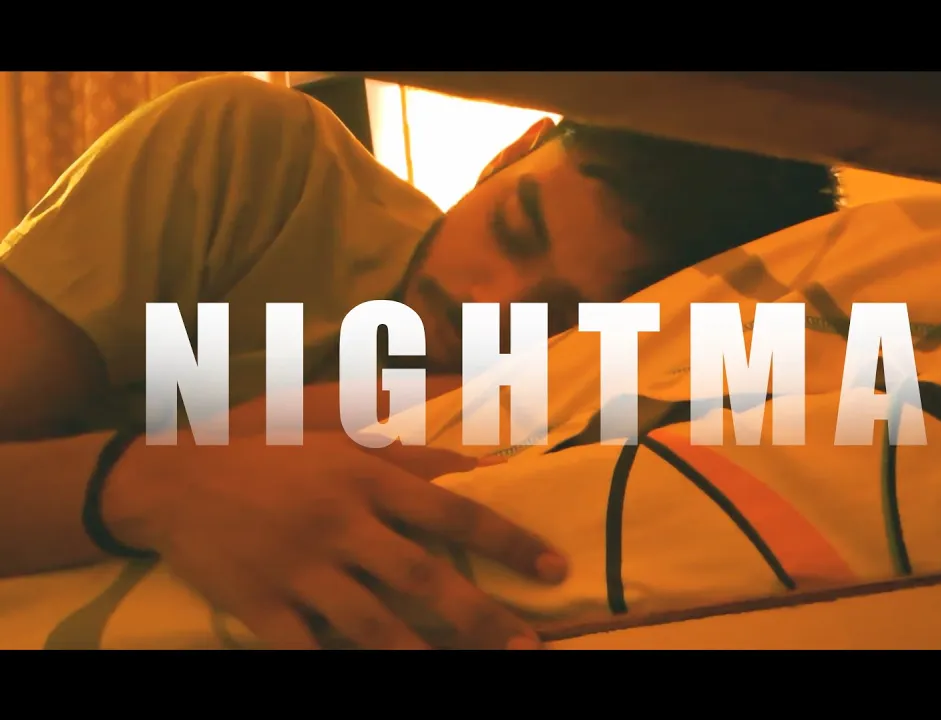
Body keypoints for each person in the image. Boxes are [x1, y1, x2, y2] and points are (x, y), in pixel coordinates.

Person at [0, 75, 839, 649]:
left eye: (557, 320)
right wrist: (147, 485)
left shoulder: (583, 409)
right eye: (513, 229)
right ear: (514, 150)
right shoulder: (251, 162)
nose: (486, 305)